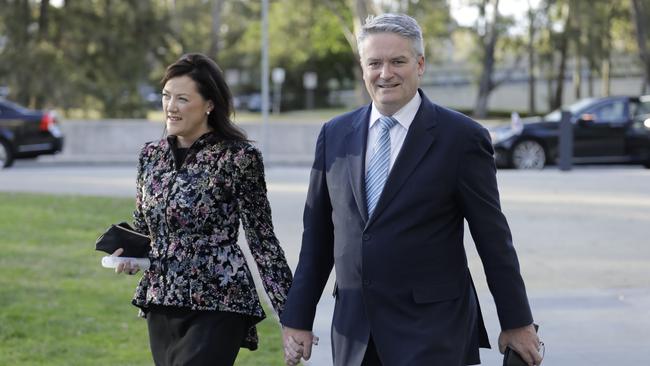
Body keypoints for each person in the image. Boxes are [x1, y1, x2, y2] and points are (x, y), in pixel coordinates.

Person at [279, 13, 543, 366]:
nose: (385, 73)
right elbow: (318, 238)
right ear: (362, 68)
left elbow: (493, 239)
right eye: (375, 63)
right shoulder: (334, 135)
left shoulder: (461, 138)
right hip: (355, 333)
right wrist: (297, 318)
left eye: (397, 61)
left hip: (433, 333)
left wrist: (517, 322)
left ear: (420, 65)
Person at [112, 53, 293, 366]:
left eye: (182, 98)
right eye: (166, 96)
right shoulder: (150, 156)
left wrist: (292, 315)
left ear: (209, 104)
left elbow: (262, 240)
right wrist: (127, 252)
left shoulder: (239, 158)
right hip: (162, 297)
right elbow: (144, 226)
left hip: (220, 299)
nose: (170, 106)